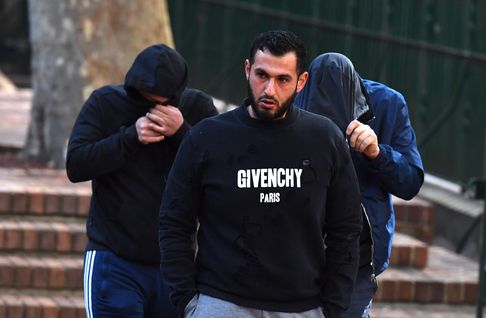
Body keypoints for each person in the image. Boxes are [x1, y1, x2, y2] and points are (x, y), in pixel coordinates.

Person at [158, 30, 363, 318]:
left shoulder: (324, 138)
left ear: (301, 82)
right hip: (220, 302)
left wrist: (332, 308)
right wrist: (188, 302)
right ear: (247, 70)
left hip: (303, 307)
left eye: (283, 80)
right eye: (261, 75)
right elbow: (174, 221)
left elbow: (347, 228)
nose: (269, 90)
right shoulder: (207, 137)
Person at [66, 44, 218, 317]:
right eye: (146, 101)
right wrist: (129, 137)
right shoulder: (105, 102)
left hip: (175, 266)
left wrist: (182, 133)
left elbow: (221, 172)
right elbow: (76, 165)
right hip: (114, 259)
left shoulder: (198, 108)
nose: (154, 110)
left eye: (162, 103)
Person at [295, 53, 424, 318]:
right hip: (296, 249)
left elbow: (410, 182)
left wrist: (378, 153)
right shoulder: (291, 98)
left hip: (357, 256)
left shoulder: (388, 103)